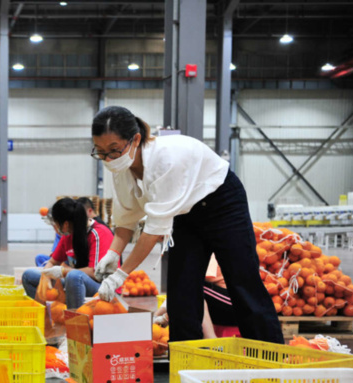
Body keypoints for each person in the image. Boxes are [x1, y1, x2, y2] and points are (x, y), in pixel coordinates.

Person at [90, 105, 282, 343]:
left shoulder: (165, 160)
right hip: (185, 213)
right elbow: (126, 218)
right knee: (182, 292)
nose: (108, 159)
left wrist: (121, 274)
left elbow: (153, 232)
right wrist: (113, 252)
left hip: (222, 203)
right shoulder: (121, 169)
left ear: (135, 139)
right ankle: (186, 364)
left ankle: (269, 357)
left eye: (114, 150)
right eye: (100, 152)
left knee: (242, 283)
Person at [22, 197, 114, 310]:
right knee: (28, 276)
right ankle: (46, 316)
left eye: (56, 224)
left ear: (65, 224)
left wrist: (63, 271)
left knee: (73, 276)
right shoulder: (68, 235)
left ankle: (75, 321)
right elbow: (52, 261)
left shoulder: (99, 233)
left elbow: (95, 272)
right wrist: (45, 275)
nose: (56, 228)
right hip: (75, 282)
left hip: (101, 287)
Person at [154, 255, 236, 339]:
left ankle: (212, 341)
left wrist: (165, 316)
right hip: (224, 306)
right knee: (190, 288)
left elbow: (190, 285)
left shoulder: (211, 252)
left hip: (235, 306)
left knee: (192, 288)